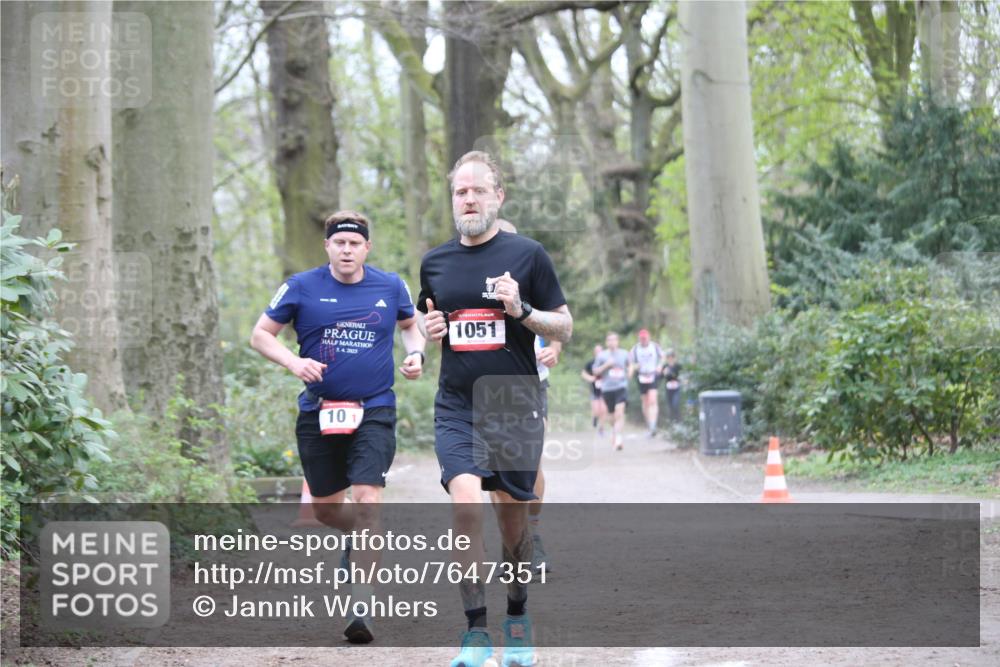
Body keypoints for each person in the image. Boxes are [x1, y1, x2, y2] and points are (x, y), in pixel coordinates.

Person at [418, 151, 572, 667]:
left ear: (497, 196)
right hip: (457, 405)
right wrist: (430, 331)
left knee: (512, 524)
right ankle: (475, 632)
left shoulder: (528, 255)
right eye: (460, 191)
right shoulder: (435, 262)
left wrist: (522, 310)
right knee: (465, 506)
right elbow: (430, 322)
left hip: (514, 404)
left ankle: (518, 614)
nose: (468, 199)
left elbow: (564, 327)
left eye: (478, 190)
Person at [249, 210, 425, 644]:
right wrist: (294, 361)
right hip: (318, 410)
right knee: (328, 509)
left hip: (375, 408)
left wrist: (416, 353)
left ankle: (360, 606)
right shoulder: (300, 286)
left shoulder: (390, 285)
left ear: (367, 248)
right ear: (327, 247)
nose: (347, 250)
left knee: (367, 502)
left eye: (355, 244)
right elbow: (260, 334)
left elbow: (411, 326)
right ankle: (363, 536)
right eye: (339, 243)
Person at [594, 332, 629, 451]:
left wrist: (629, 372)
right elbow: (595, 372)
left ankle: (618, 438)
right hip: (607, 389)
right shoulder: (601, 356)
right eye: (609, 340)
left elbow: (630, 365)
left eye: (614, 340)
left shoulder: (624, 353)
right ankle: (615, 432)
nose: (612, 342)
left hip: (621, 387)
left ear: (618, 341)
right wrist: (606, 365)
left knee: (620, 412)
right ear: (606, 342)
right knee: (611, 416)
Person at [628, 329, 665, 437]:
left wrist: (660, 366)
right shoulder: (634, 349)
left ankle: (653, 426)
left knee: (653, 400)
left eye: (645, 338)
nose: (644, 340)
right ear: (639, 339)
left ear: (649, 337)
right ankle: (649, 424)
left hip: (653, 375)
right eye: (642, 339)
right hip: (641, 376)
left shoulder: (655, 346)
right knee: (645, 402)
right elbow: (630, 363)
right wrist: (634, 367)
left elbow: (663, 357)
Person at [581, 344, 606, 434]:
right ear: (594, 353)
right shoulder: (591, 363)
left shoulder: (606, 363)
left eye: (600, 351)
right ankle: (595, 419)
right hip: (594, 390)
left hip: (605, 390)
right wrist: (590, 378)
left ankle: (601, 428)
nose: (599, 353)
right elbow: (583, 373)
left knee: (603, 409)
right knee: (596, 410)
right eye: (597, 351)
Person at [663, 349, 683, 424]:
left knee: (676, 404)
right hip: (668, 389)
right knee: (670, 406)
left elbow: (682, 375)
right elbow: (662, 376)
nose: (670, 359)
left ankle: (678, 421)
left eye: (672, 357)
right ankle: (672, 422)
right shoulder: (665, 366)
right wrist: (664, 373)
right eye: (669, 357)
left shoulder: (678, 366)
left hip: (676, 388)